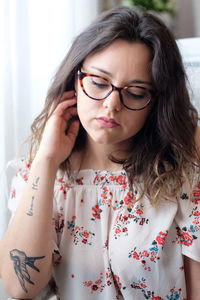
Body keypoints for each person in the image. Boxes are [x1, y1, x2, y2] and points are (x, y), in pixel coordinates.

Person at [0, 5, 200, 300]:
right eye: (98, 82)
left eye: (135, 92)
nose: (111, 104)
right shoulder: (40, 177)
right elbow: (20, 288)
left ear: (156, 103)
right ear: (75, 82)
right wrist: (46, 160)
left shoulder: (182, 181)